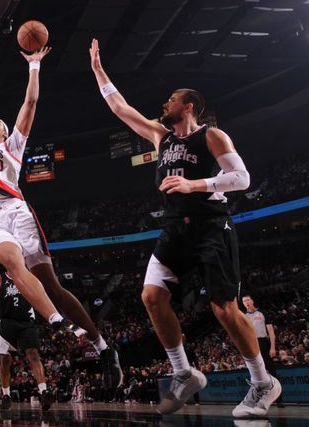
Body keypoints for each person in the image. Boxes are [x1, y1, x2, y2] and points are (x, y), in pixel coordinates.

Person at [88, 39, 281, 418]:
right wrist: (98, 70)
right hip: (176, 228)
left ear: (188, 105)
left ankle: (262, 382)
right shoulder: (161, 137)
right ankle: (184, 372)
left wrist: (197, 185)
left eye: (171, 100)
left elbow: (241, 177)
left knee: (224, 309)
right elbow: (120, 108)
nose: (165, 105)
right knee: (150, 296)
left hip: (211, 226)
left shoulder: (211, 135)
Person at [0, 46, 122, 388]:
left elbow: (30, 104)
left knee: (53, 286)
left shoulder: (13, 145)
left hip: (18, 212)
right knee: (12, 263)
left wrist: (35, 65)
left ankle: (103, 348)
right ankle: (56, 322)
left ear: (5, 130)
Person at [0, 272, 55, 411]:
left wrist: (52, 317)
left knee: (33, 354)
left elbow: (42, 298)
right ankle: (5, 395)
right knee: (5, 360)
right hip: (7, 322)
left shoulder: (29, 277)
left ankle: (43, 392)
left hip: (27, 322)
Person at [242, 294, 283, 406]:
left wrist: (273, 346)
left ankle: (279, 399)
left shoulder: (262, 313)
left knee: (271, 370)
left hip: (263, 342)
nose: (246, 302)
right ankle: (259, 400)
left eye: (248, 300)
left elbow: (271, 331)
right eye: (244, 301)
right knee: (256, 373)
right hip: (252, 344)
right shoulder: (244, 316)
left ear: (252, 301)